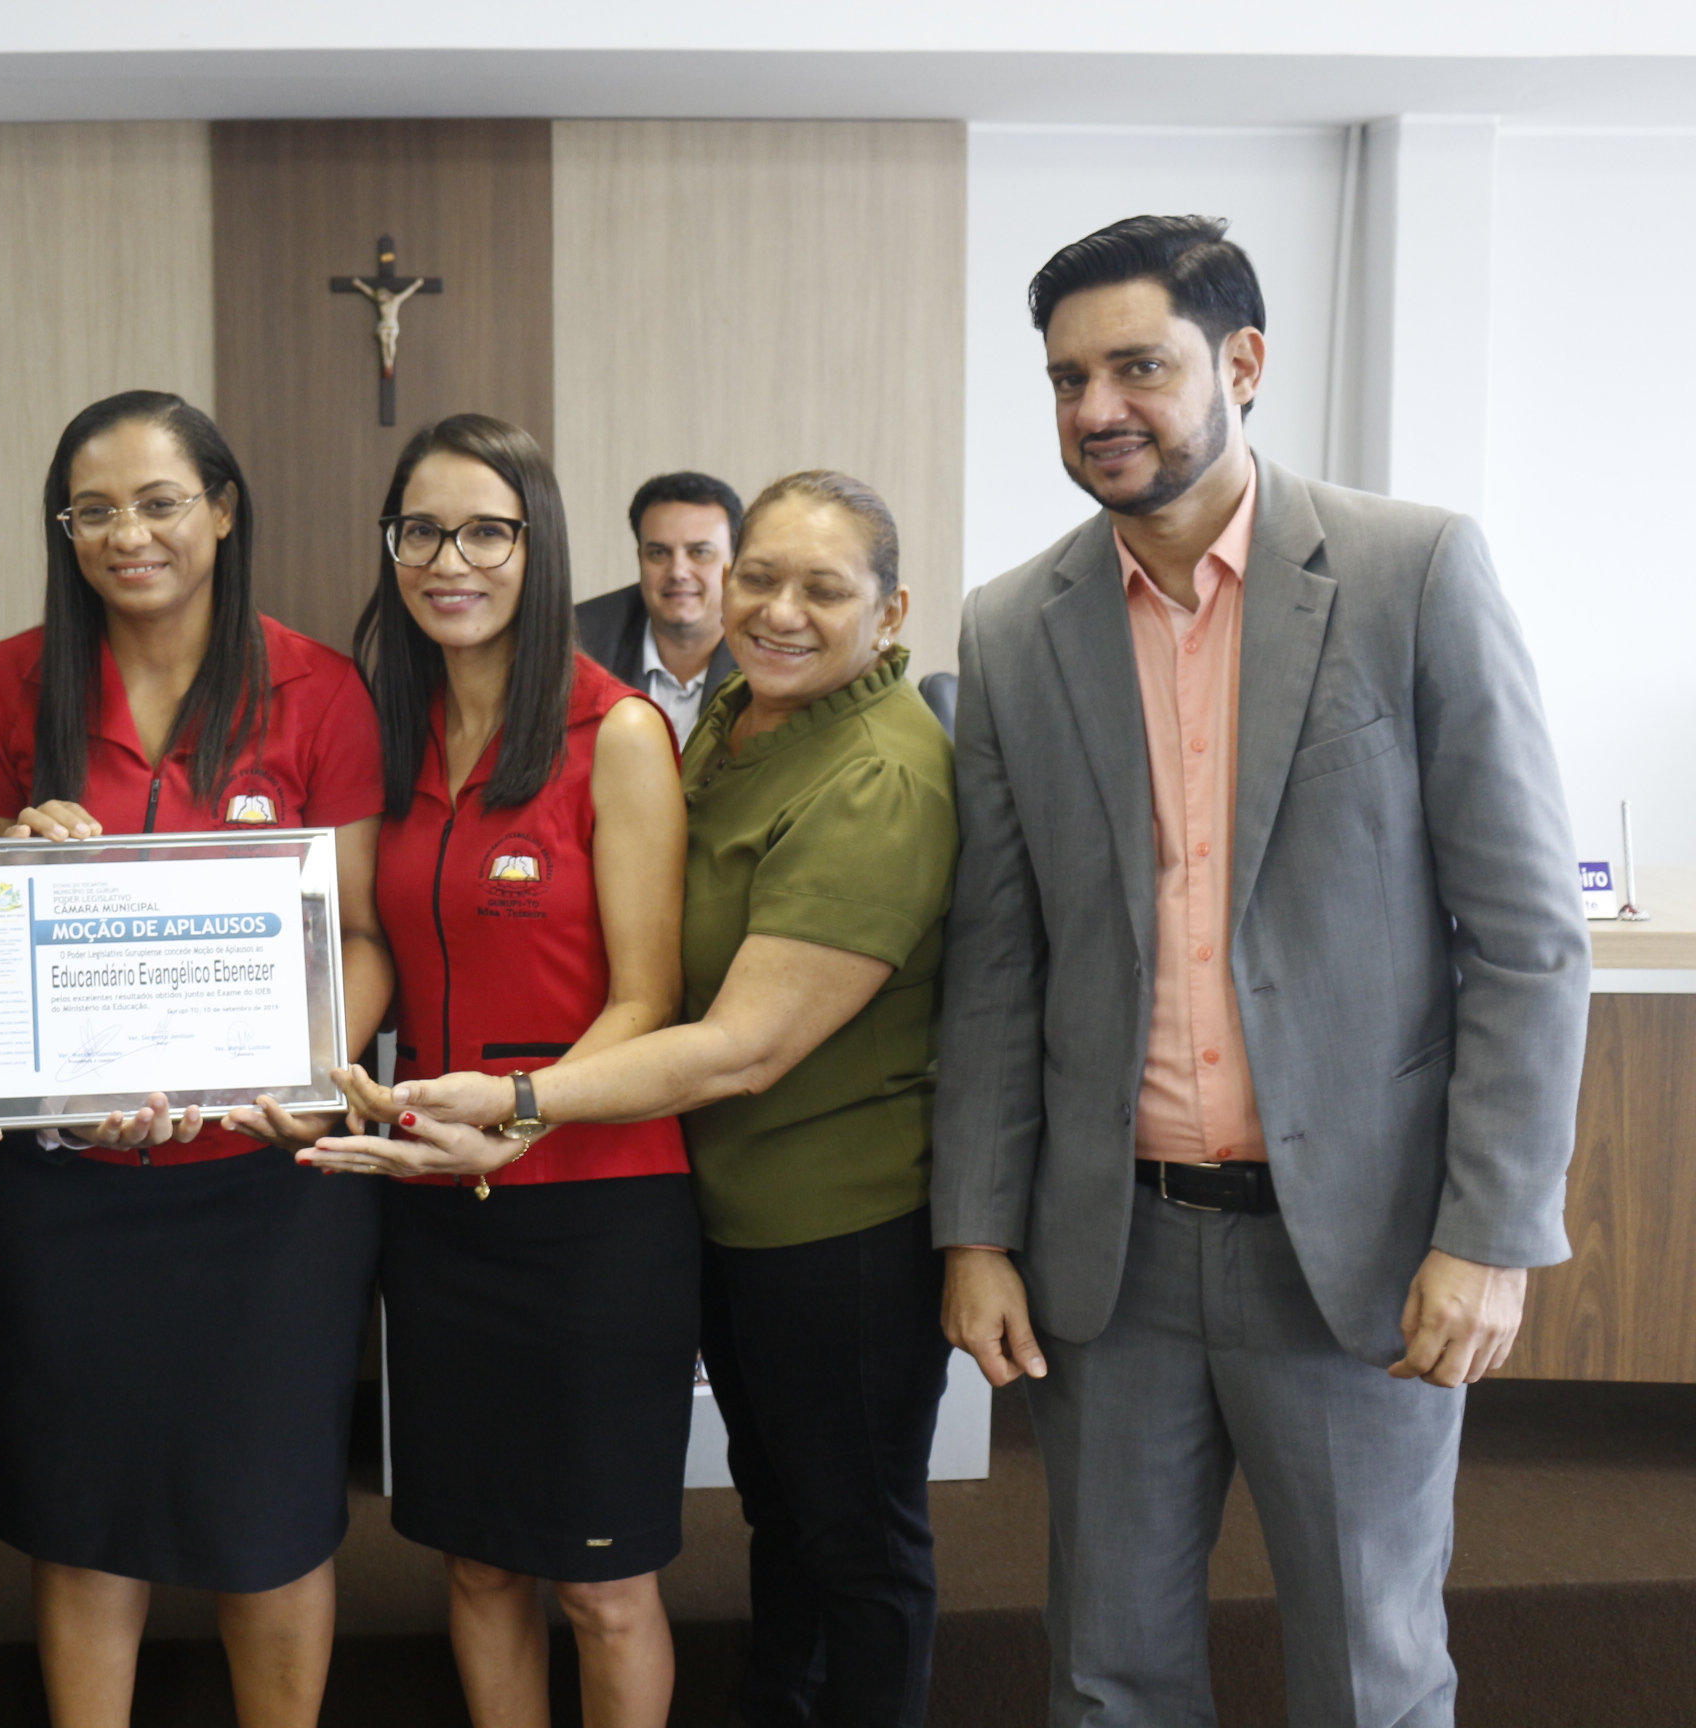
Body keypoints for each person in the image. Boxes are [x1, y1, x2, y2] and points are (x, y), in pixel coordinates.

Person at [932, 216, 1590, 1727]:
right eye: (1068, 379)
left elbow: (1525, 936)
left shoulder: (1412, 569)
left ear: (1242, 363)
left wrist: (1490, 1233)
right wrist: (976, 1229)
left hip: (1358, 1249)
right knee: (1107, 1675)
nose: (1098, 408)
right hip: (1112, 1254)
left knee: (1370, 1673)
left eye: (1138, 367)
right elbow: (997, 962)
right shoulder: (1012, 629)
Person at [320, 468, 959, 1727]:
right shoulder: (737, 718)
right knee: (774, 1522)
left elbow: (731, 1042)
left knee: (849, 1542)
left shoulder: (866, 770)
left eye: (823, 589)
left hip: (823, 1216)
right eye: (758, 578)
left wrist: (514, 1106)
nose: (778, 610)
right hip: (681, 1198)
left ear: (891, 613)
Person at [0, 389, 394, 1728]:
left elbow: (364, 939)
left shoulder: (319, 689)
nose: (127, 534)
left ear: (223, 509)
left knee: (271, 1518)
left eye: (158, 502)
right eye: (92, 511)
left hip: (266, 1193)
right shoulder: (10, 680)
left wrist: (302, 1080)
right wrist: (14, 865)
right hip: (65, 1192)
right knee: (83, 1517)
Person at [308, 414, 697, 1728]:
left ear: (539, 547)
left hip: (597, 1209)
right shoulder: (387, 737)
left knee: (604, 1585)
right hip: (435, 1206)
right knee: (474, 1562)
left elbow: (648, 1002)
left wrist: (521, 1122)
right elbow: (361, 949)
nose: (448, 561)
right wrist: (321, 1069)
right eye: (421, 532)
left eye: (486, 532)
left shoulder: (616, 731)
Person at [572, 471, 742, 747]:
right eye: (659, 553)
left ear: (734, 562)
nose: (678, 572)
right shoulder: (579, 642)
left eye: (700, 552)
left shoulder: (767, 650)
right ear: (640, 558)